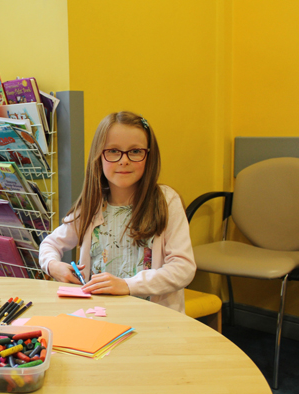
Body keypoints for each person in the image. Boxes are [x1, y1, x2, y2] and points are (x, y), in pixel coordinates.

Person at [39, 111, 195, 312]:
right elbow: (50, 244)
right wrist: (53, 265)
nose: (124, 161)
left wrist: (128, 286)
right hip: (100, 316)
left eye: (135, 151)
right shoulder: (92, 204)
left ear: (149, 155)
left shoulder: (166, 201)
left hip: (154, 319)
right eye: (113, 151)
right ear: (99, 155)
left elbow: (183, 269)